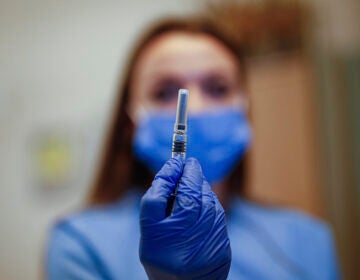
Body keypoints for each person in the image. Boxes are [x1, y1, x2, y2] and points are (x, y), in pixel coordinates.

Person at [46, 16, 340, 279]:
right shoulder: (83, 244)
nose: (194, 108)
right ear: (129, 123)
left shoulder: (308, 241)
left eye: (218, 88)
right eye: (163, 92)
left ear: (245, 110)